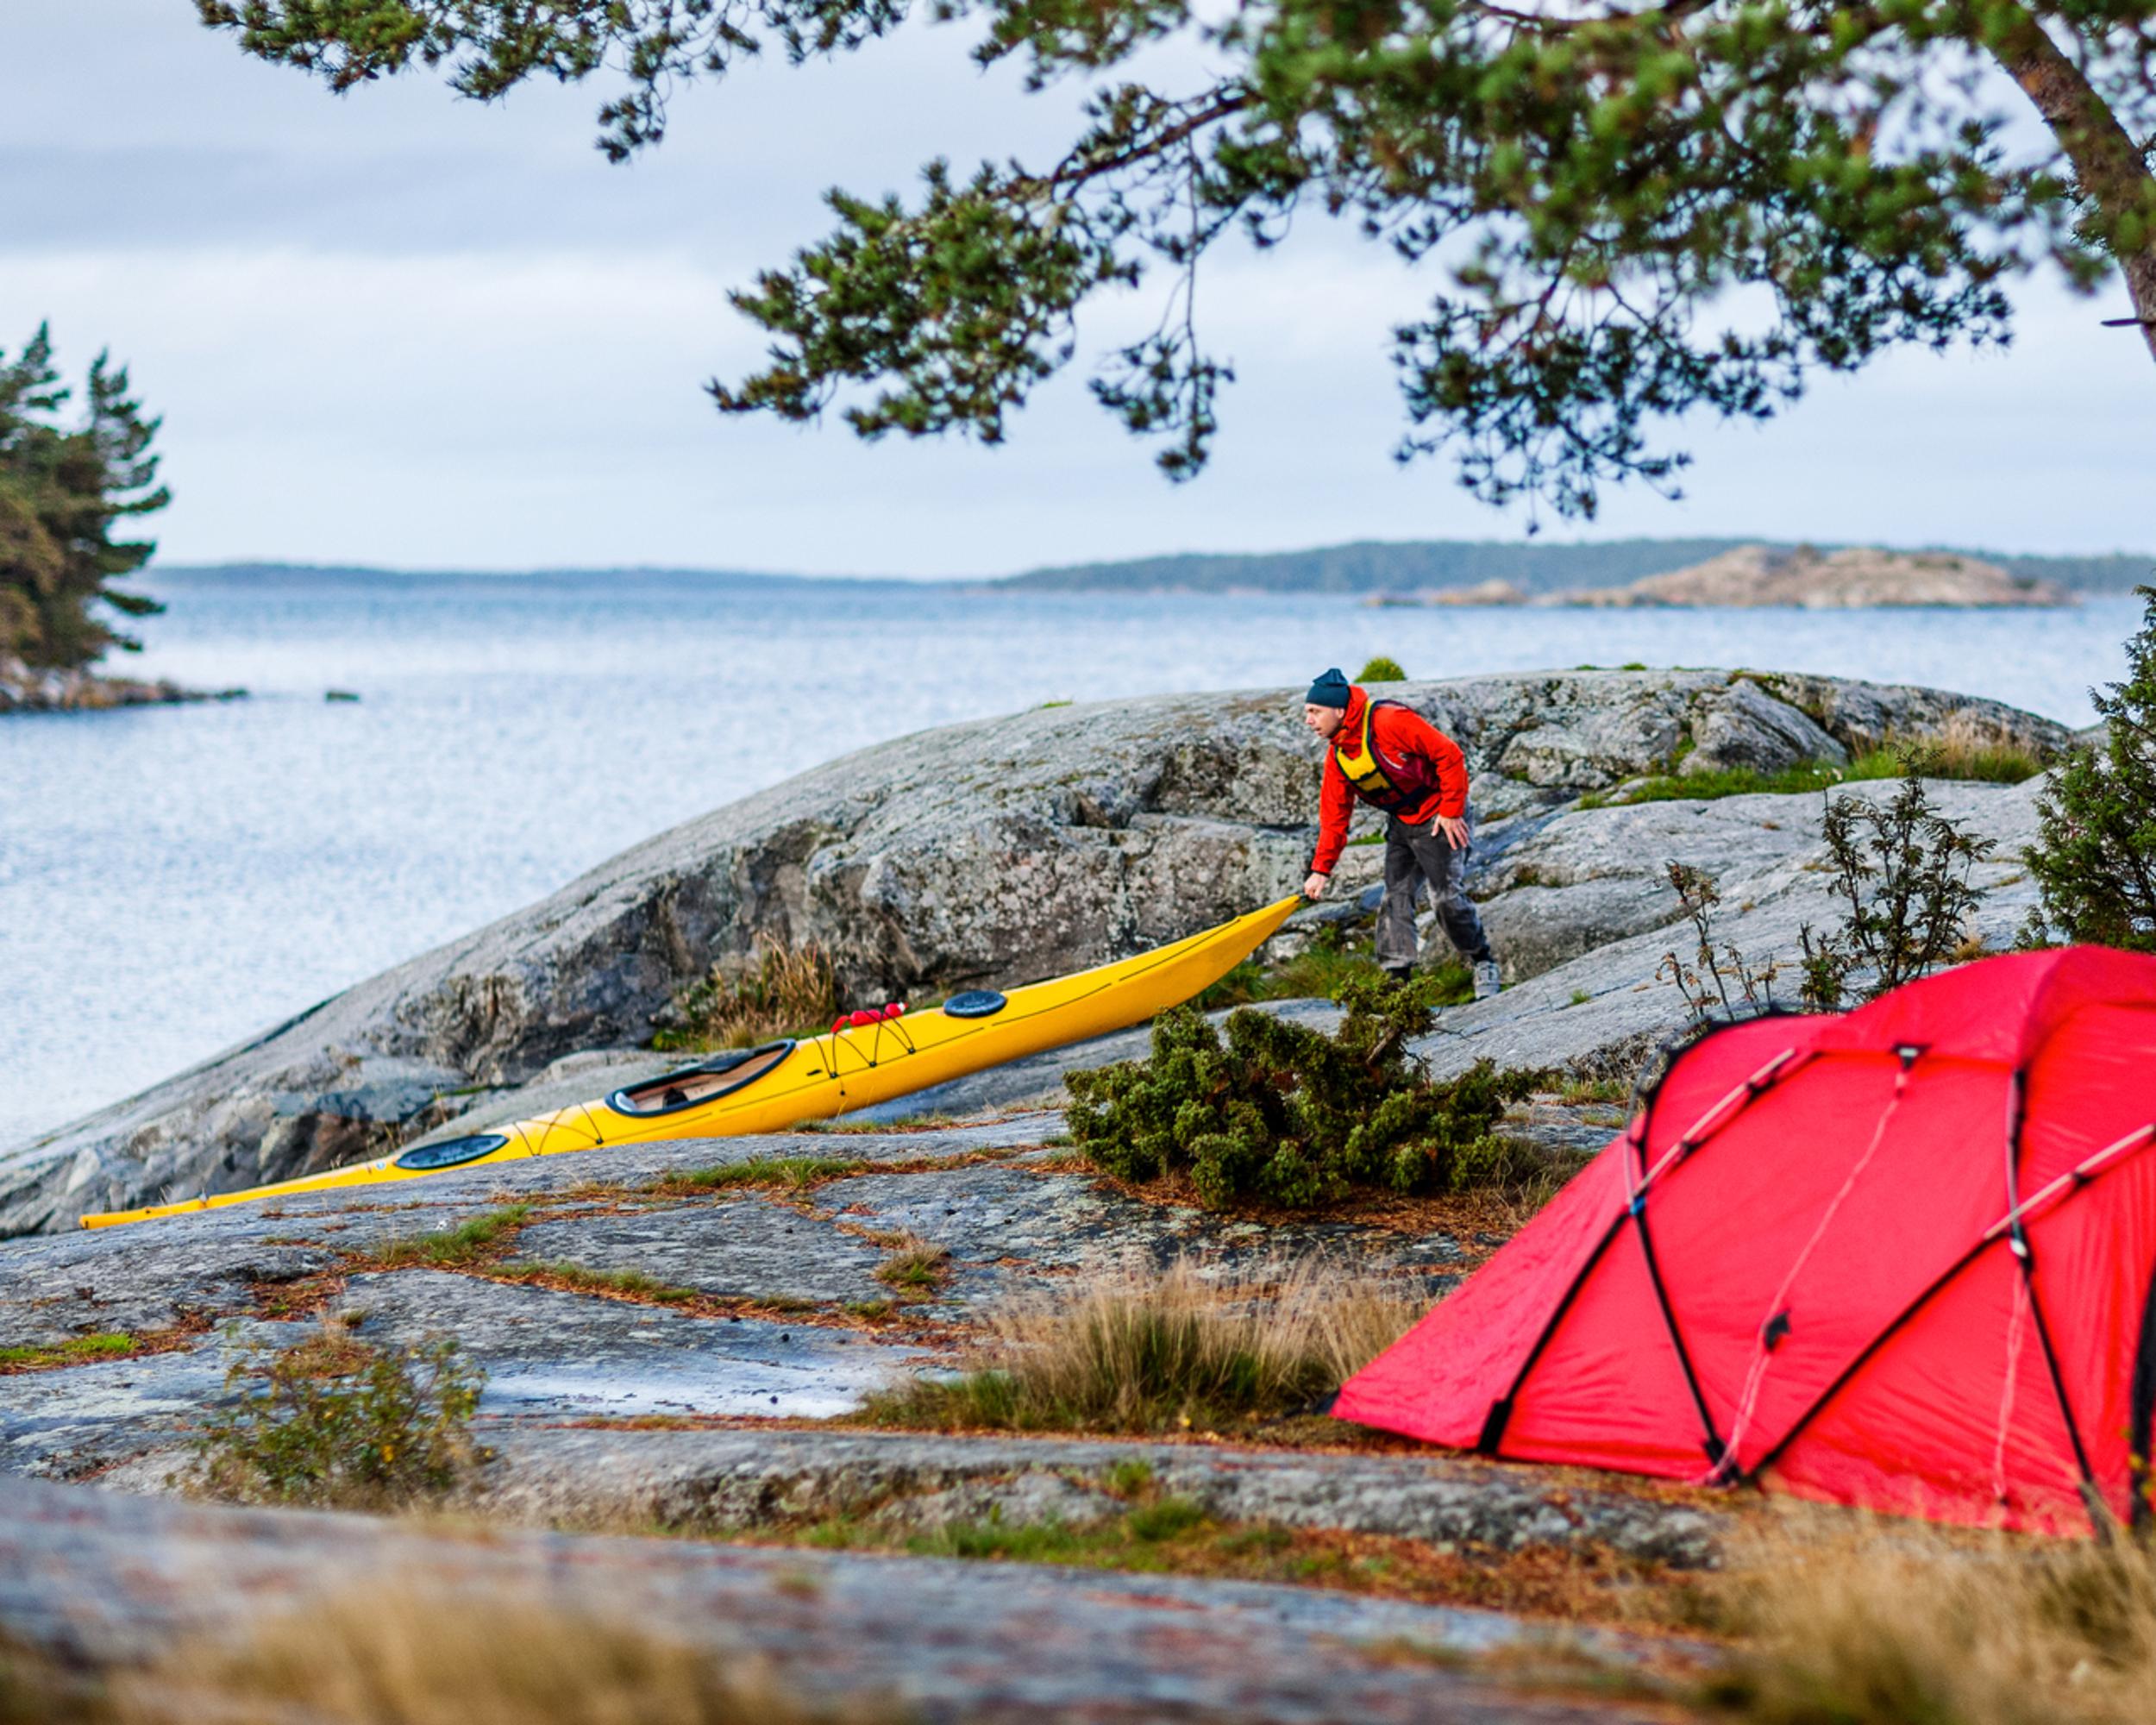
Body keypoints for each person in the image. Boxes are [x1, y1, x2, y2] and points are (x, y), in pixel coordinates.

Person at [1298, 667, 1503, 1000]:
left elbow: (1449, 755)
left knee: (1446, 898)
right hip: (1402, 824)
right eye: (1307, 712)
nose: (1308, 720)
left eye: (1314, 712)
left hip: (1439, 817)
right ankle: (1398, 983)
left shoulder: (1389, 721)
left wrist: (1451, 810)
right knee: (1396, 896)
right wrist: (1321, 870)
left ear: (1338, 710)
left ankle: (1483, 962)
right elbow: (1334, 817)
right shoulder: (1338, 756)